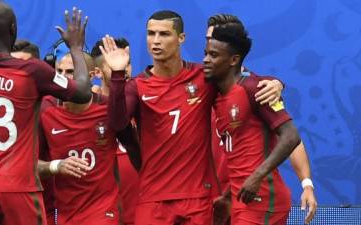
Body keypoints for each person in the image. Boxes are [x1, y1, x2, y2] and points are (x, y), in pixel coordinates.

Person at [101, 10, 282, 225]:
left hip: (197, 200)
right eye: (151, 34)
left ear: (181, 38)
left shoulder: (203, 76)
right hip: (153, 199)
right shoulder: (137, 86)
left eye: (164, 34)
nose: (155, 41)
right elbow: (117, 123)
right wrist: (118, 76)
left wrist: (276, 83)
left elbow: (246, 81)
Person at [0, 1, 92, 224]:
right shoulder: (32, 71)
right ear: (14, 28)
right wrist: (76, 49)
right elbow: (82, 92)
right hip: (20, 189)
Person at [207, 14, 316, 225]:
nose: (213, 45)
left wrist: (306, 183)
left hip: (252, 196)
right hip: (218, 198)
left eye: (221, 39)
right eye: (209, 40)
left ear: (233, 53)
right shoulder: (206, 88)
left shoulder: (260, 89)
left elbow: (291, 138)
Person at [39, 52, 140, 225]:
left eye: (70, 72)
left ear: (91, 75)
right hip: (66, 215)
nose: (63, 78)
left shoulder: (108, 109)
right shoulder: (46, 112)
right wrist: (56, 166)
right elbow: (29, 166)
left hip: (104, 213)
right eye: (59, 72)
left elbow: (133, 148)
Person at [91, 38, 140, 225]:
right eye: (114, 64)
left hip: (147, 214)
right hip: (105, 217)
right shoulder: (89, 113)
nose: (123, 70)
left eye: (126, 64)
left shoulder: (144, 106)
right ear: (97, 73)